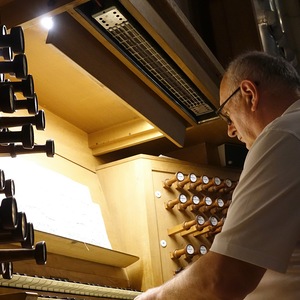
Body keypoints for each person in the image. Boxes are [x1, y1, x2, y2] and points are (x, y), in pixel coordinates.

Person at [134, 51, 300, 299]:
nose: (231, 131)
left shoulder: (282, 135)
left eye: (227, 115)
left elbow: (223, 279)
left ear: (249, 94)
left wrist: (153, 296)